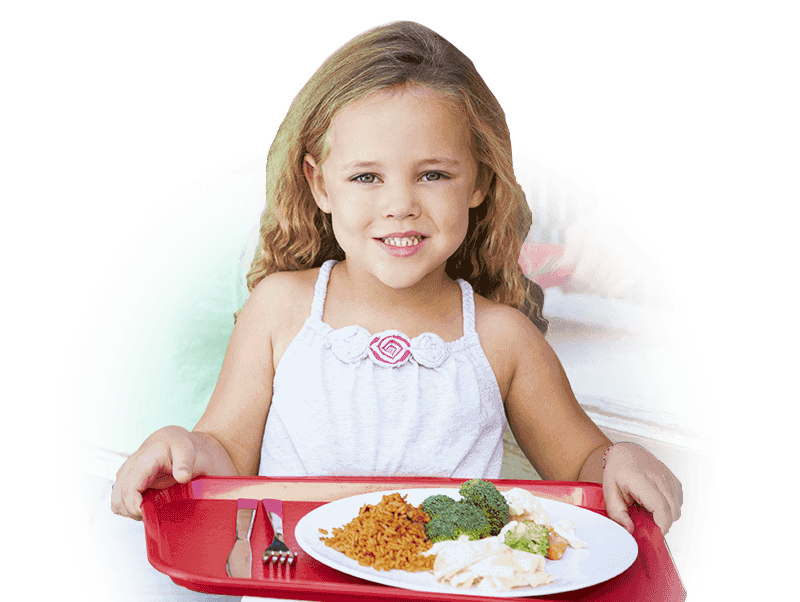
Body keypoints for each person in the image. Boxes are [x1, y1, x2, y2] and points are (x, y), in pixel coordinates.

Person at [110, 21, 681, 600]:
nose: (400, 205)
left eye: (433, 175)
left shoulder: (502, 336)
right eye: (366, 177)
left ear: (479, 181)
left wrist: (619, 459)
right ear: (321, 184)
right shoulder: (281, 308)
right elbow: (226, 451)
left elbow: (583, 458)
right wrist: (181, 447)